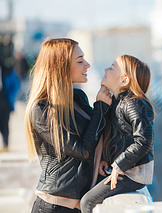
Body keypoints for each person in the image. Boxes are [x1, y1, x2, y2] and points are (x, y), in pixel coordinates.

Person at [24, 38, 112, 212]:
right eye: (80, 61)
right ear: (60, 66)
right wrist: (100, 107)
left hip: (81, 204)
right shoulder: (41, 110)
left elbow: (97, 131)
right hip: (54, 206)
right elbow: (82, 151)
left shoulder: (78, 97)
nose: (87, 65)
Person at [80, 55, 155, 213]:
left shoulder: (135, 103)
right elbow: (115, 136)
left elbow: (143, 141)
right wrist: (106, 159)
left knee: (87, 201)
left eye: (112, 67)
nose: (106, 70)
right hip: (122, 168)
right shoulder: (116, 103)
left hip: (133, 172)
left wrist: (119, 165)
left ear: (124, 81)